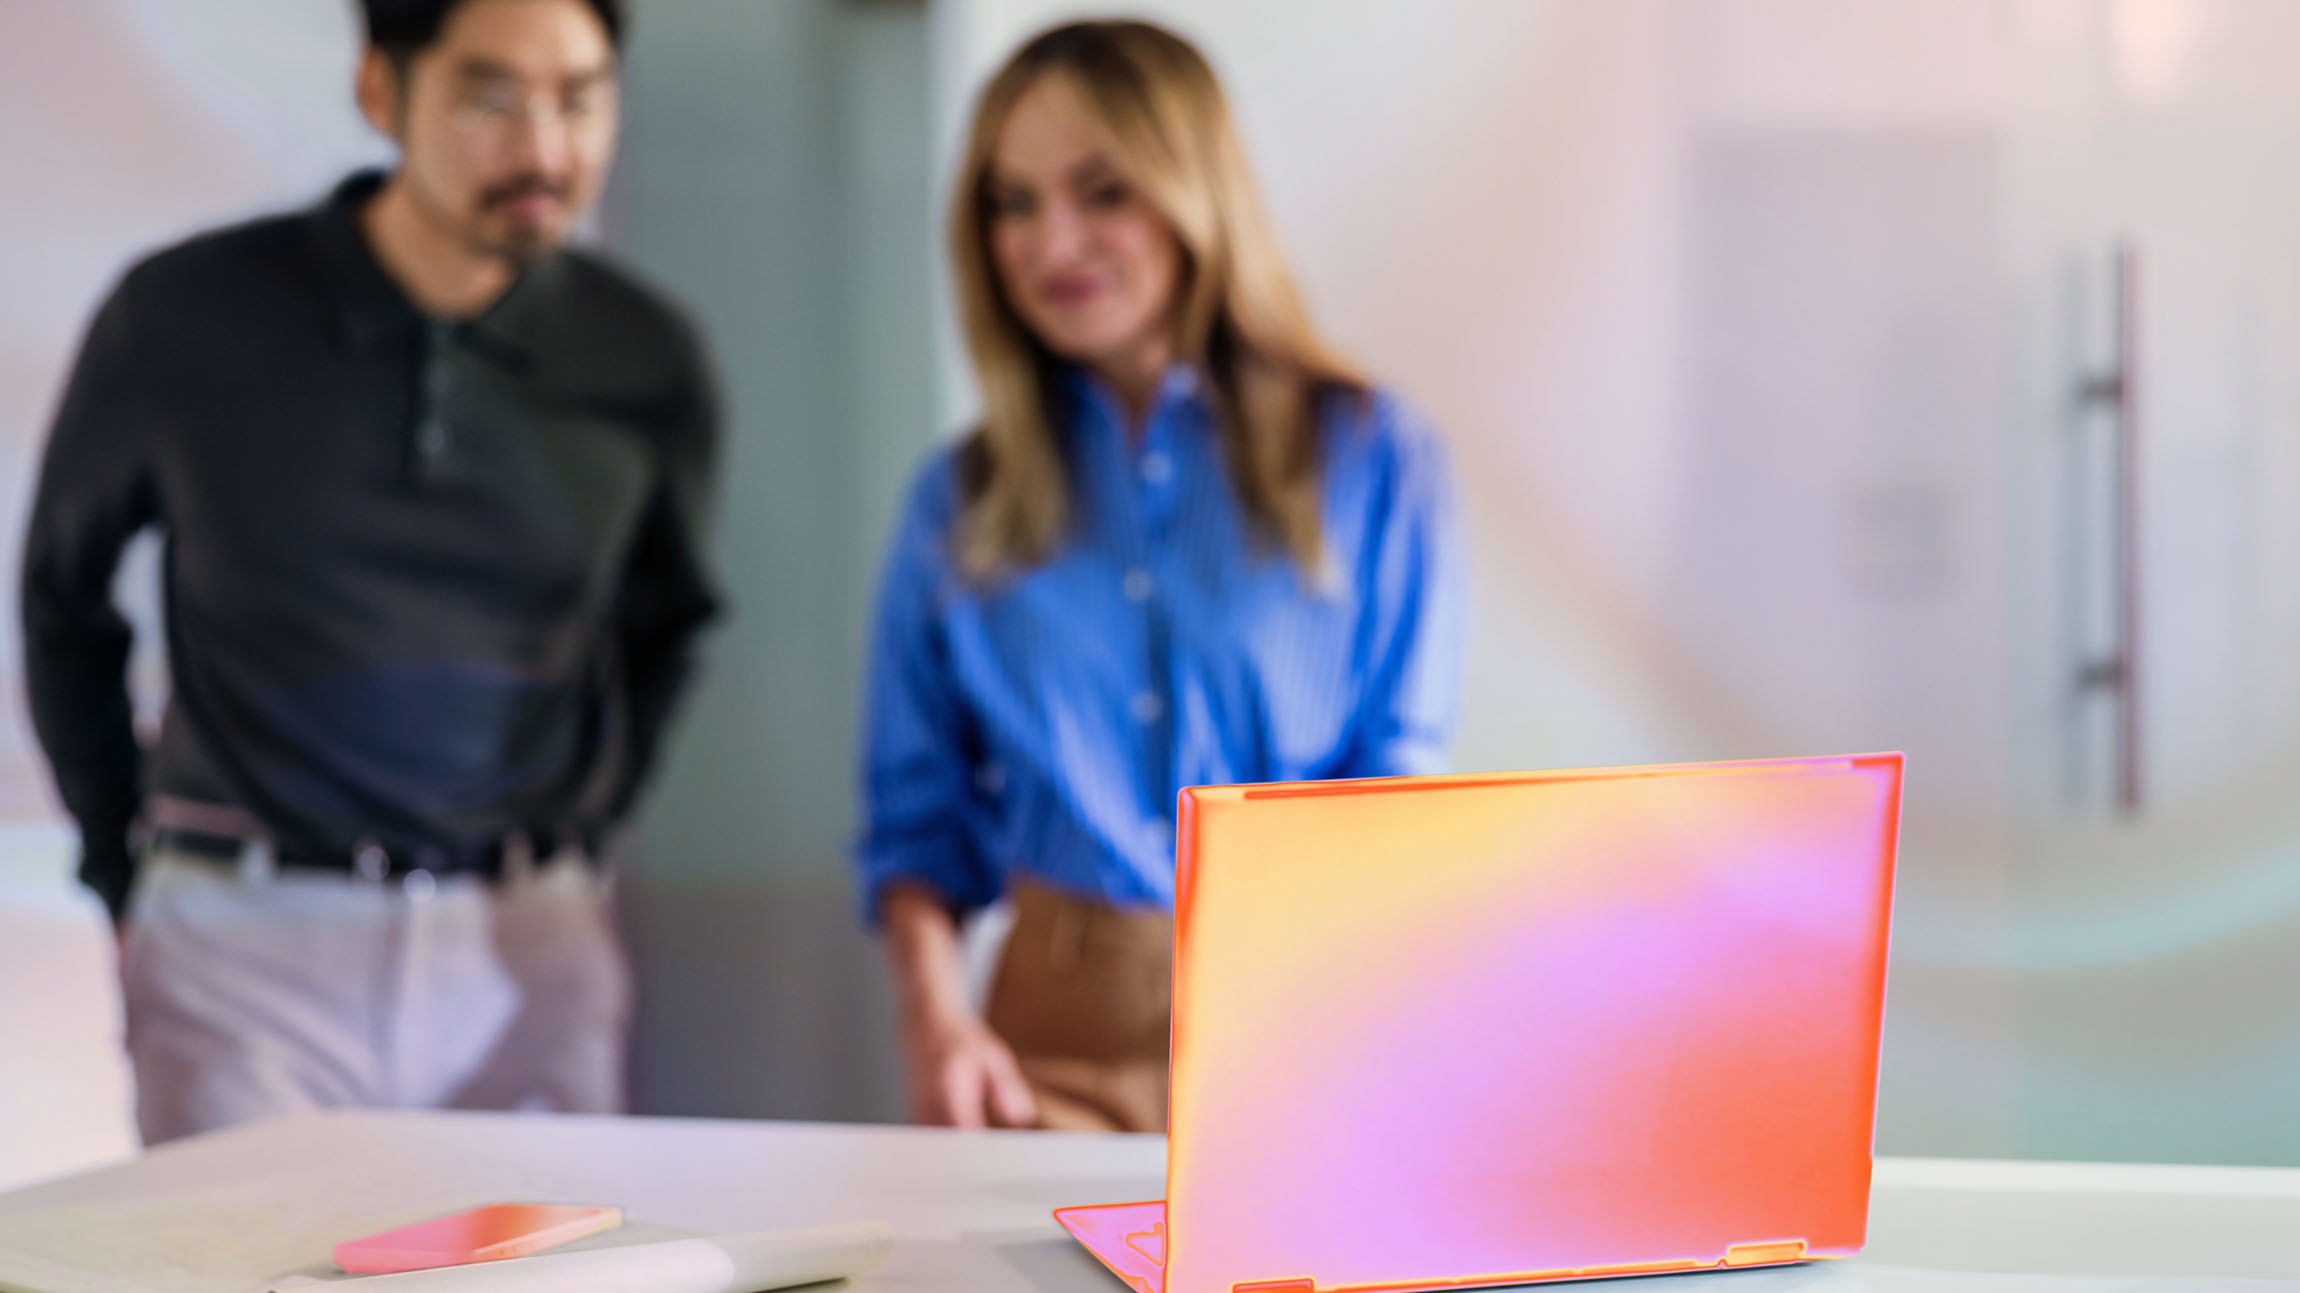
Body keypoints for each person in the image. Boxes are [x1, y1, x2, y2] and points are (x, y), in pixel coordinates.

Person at [21, 0, 720, 1143]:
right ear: (380, 91)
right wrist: (118, 868)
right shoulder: (183, 316)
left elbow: (668, 624)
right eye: (490, 97)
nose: (545, 149)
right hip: (247, 952)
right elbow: (63, 599)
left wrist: (581, 833)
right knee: (242, 1243)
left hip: (526, 951)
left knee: (557, 1245)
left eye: (580, 99)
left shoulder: (645, 354)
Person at [856, 20, 1464, 1134]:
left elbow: (1395, 775)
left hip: (1303, 1021)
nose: (1053, 243)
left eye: (1102, 191)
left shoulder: (1373, 458)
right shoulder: (957, 501)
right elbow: (916, 822)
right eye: (1013, 202)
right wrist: (935, 1024)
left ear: (1194, 193)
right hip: (1043, 1047)